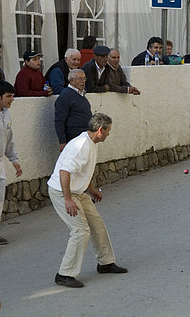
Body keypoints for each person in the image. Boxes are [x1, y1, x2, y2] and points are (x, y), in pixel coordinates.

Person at [48, 113, 127, 288]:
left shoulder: (92, 143)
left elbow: (84, 170)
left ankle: (105, 263)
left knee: (97, 224)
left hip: (78, 191)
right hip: (62, 192)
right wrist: (68, 199)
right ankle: (64, 274)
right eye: (108, 131)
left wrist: (91, 190)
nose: (108, 134)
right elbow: (64, 173)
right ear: (100, 130)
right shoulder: (80, 146)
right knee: (80, 231)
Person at [0, 81, 22, 245]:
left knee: (0, 198)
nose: (12, 99)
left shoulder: (6, 115)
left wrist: (14, 160)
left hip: (0, 163)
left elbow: (9, 140)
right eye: (8, 96)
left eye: (12, 96)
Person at [54, 69, 92, 151]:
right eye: (80, 78)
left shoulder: (81, 94)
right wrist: (62, 142)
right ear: (72, 80)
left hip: (85, 135)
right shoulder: (65, 96)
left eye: (84, 79)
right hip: (73, 137)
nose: (83, 81)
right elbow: (59, 121)